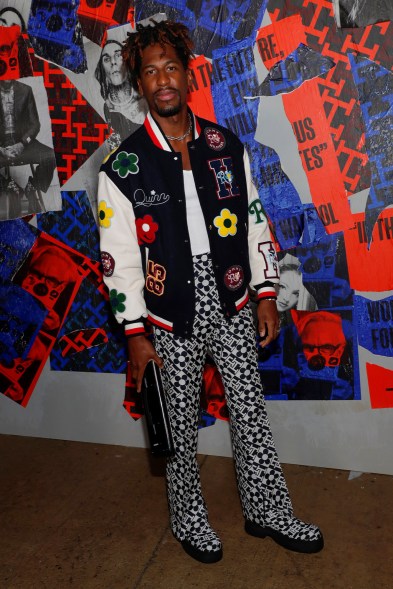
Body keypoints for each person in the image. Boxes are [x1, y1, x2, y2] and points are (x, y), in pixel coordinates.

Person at [98, 20, 323, 564]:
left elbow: (253, 222)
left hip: (233, 295)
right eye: (149, 72)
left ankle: (267, 510)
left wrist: (267, 291)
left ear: (187, 75)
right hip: (166, 310)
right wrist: (134, 334)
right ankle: (188, 520)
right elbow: (118, 259)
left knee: (249, 411)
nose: (162, 79)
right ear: (140, 84)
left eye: (170, 67)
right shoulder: (122, 167)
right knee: (177, 423)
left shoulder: (226, 145)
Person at [0, 78, 56, 215]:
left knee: (50, 156)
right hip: (1, 145)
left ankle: (32, 187)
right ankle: (10, 187)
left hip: (23, 142)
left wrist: (22, 144)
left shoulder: (25, 90)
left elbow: (35, 124)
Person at [94, 39, 147, 146]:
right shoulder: (108, 108)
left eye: (118, 55)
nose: (113, 62)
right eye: (107, 59)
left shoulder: (145, 94)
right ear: (103, 71)